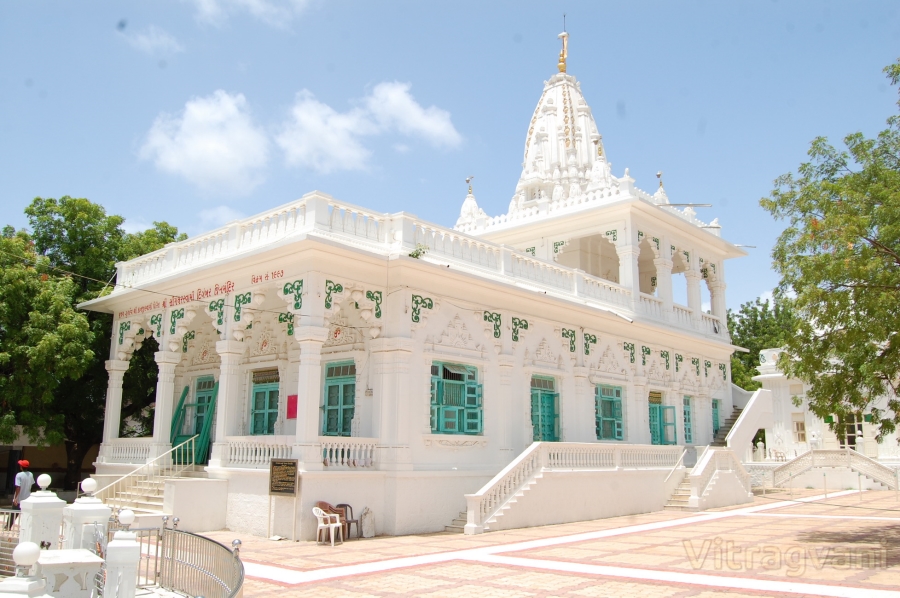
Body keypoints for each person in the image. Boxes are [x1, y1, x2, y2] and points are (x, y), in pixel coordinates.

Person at [8, 459, 35, 529]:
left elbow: (18, 487)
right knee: (26, 514)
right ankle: (26, 527)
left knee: (14, 513)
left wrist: (15, 498)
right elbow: (32, 485)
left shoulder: (19, 475)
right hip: (27, 497)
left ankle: (8, 526)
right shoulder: (31, 474)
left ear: (21, 467)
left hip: (19, 498)